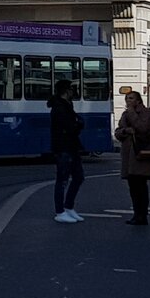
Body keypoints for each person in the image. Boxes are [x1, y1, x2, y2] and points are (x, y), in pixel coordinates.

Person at [115, 90, 150, 225]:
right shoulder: (125, 114)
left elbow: (142, 127)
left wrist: (132, 112)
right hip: (129, 155)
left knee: (141, 186)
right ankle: (137, 214)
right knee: (133, 186)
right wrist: (124, 131)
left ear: (138, 100)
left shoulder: (145, 112)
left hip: (141, 154)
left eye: (131, 98)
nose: (128, 100)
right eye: (127, 98)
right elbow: (118, 132)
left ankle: (142, 215)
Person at [47, 78, 85, 223]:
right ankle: (60, 211)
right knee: (62, 179)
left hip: (70, 146)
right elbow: (70, 127)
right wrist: (78, 124)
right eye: (71, 89)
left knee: (78, 177)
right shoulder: (60, 107)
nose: (73, 92)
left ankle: (68, 207)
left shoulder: (65, 105)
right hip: (64, 146)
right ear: (66, 91)